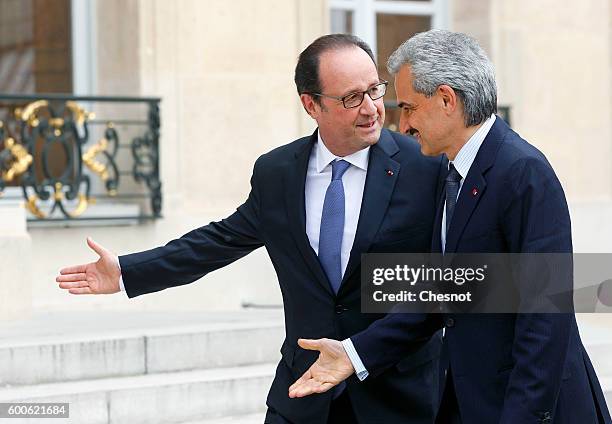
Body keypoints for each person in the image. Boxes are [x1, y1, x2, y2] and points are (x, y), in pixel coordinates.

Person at [57, 34, 444, 424]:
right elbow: (219, 240)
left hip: (396, 397)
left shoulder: (426, 167)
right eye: (350, 98)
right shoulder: (278, 172)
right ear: (311, 105)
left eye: (374, 90)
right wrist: (126, 271)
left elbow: (448, 284)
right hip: (301, 396)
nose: (371, 109)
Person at [288, 30, 612, 424]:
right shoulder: (451, 174)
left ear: (446, 99)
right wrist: (354, 355)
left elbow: (545, 317)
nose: (402, 124)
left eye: (408, 107)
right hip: (471, 401)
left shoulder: (523, 172)